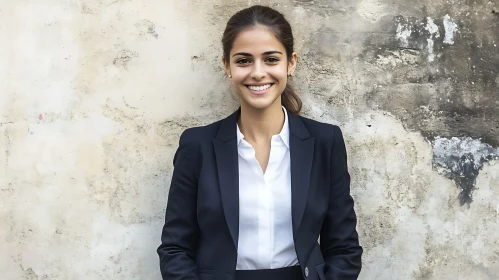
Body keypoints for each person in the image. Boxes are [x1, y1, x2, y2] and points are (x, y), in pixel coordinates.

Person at [157, 5, 362, 280]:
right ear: (226, 66)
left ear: (291, 63)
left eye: (271, 59)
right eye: (243, 60)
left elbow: (344, 247)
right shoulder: (198, 146)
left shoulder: (325, 142)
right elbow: (175, 248)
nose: (257, 72)